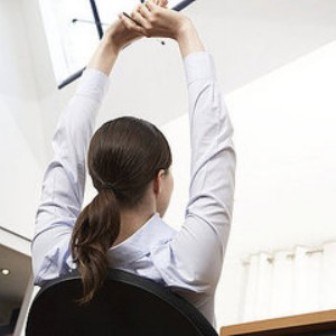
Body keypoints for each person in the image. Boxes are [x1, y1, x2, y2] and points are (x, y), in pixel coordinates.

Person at [32, 0, 236, 326]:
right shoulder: (186, 266)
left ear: (98, 179)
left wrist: (109, 46)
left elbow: (65, 154)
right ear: (159, 180)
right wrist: (184, 31)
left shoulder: (54, 261)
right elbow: (214, 144)